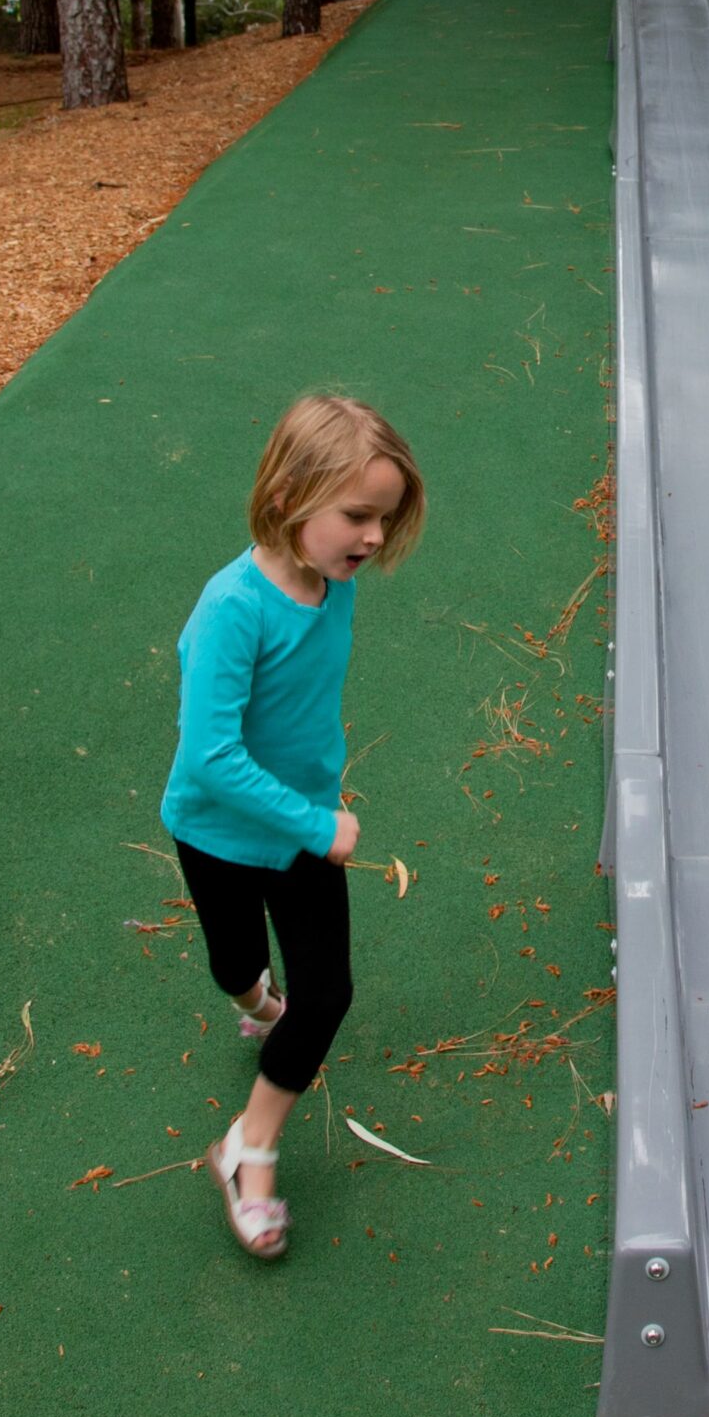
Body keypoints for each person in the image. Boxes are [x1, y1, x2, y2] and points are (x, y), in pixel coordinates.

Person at [160, 394, 425, 1259]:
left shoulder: (329, 581)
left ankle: (250, 1146)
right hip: (219, 831)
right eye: (356, 516)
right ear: (285, 501)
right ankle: (253, 1001)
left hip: (302, 836)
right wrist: (313, 816)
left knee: (327, 992)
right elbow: (208, 756)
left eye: (382, 518)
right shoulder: (233, 608)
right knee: (236, 968)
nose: (374, 537)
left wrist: (312, 818)